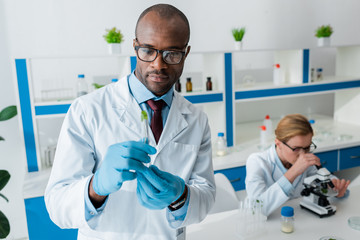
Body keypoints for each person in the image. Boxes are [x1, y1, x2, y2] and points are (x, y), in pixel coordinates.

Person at [45, 4, 215, 240]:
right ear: (135, 46)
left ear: (185, 53)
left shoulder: (196, 119)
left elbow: (206, 196)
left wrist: (181, 196)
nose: (159, 64)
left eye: (172, 54)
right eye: (148, 51)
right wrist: (97, 186)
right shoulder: (87, 110)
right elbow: (57, 205)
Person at [245, 114, 350, 216]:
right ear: (278, 143)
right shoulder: (257, 161)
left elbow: (324, 180)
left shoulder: (305, 159)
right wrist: (294, 171)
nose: (303, 154)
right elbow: (256, 209)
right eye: (296, 149)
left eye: (307, 147)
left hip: (300, 218)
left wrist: (337, 190)